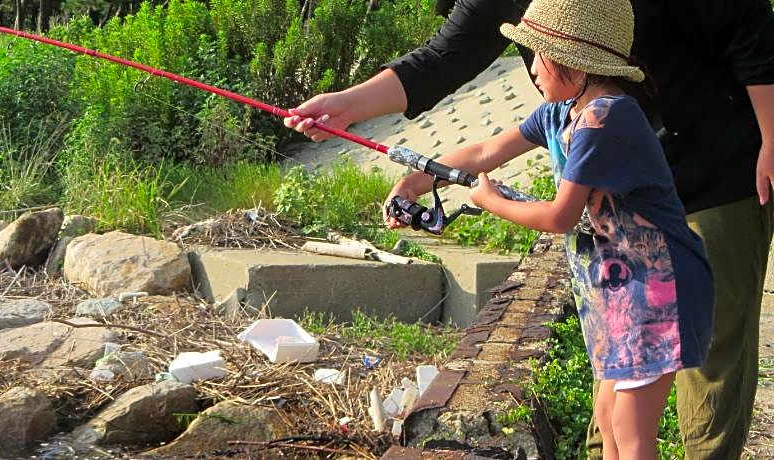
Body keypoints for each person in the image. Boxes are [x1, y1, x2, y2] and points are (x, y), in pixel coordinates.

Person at [283, 0, 774, 458]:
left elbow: (560, 216)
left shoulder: (603, 119)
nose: (530, 68)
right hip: (620, 286)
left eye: (540, 55)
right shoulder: (563, 111)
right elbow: (481, 144)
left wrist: (491, 201)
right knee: (610, 416)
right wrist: (419, 175)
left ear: (576, 62)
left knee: (642, 419)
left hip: (665, 273)